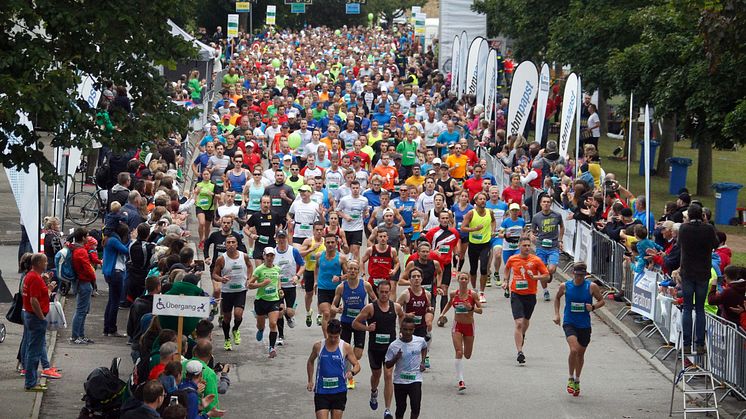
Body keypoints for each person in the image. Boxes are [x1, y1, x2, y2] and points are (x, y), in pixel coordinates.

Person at [352, 278, 404, 419]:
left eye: (387, 292)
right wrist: (367, 328)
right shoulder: (370, 308)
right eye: (382, 292)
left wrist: (401, 331)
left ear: (390, 292)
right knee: (376, 375)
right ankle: (374, 391)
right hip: (375, 348)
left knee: (388, 375)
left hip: (390, 348)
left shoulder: (396, 307)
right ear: (377, 291)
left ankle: (387, 409)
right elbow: (355, 323)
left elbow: (402, 317)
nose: (384, 295)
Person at [553, 262, 605, 397]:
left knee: (580, 354)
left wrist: (593, 307)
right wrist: (557, 314)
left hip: (584, 325)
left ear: (585, 275)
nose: (579, 278)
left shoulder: (591, 287)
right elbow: (557, 298)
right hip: (569, 322)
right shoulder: (565, 286)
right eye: (577, 275)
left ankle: (577, 379)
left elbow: (602, 301)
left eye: (582, 276)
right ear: (573, 274)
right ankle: (570, 378)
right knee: (574, 350)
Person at [676, 204, 719, 354]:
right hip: (703, 272)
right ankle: (700, 343)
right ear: (702, 215)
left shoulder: (684, 228)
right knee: (700, 308)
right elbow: (716, 244)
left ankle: (686, 343)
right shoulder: (708, 229)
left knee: (688, 307)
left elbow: (679, 243)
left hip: (688, 271)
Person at [502, 237, 550, 364]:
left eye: (529, 245)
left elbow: (546, 275)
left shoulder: (536, 260)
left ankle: (522, 335)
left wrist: (535, 277)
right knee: (518, 322)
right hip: (516, 294)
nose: (527, 248)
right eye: (524, 245)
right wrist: (505, 281)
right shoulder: (513, 259)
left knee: (526, 321)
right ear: (519, 246)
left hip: (530, 295)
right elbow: (507, 268)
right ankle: (520, 351)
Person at [331, 260, 376, 389]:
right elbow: (333, 306)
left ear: (358, 271)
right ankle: (348, 377)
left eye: (355, 269)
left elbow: (374, 300)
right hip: (345, 322)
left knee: (358, 354)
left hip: (360, 323)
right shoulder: (341, 287)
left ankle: (348, 369)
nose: (352, 271)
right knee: (345, 351)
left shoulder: (365, 285)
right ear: (347, 271)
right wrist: (337, 309)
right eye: (350, 269)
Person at [306, 319, 361, 419]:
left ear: (340, 333)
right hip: (321, 391)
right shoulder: (318, 346)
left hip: (339, 391)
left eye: (336, 337)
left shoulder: (345, 347)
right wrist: (310, 380)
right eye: (330, 336)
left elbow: (357, 365)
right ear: (327, 332)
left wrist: (352, 372)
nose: (333, 339)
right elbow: (310, 361)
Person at [437, 272, 482, 392]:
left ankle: (460, 377)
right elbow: (449, 304)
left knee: (467, 355)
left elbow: (480, 310)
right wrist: (442, 313)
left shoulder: (472, 295)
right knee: (459, 352)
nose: (463, 280)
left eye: (465, 278)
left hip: (469, 326)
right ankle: (460, 380)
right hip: (457, 326)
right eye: (461, 278)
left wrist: (471, 308)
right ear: (458, 280)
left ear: (468, 281)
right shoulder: (453, 293)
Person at [211, 235, 253, 351]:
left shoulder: (244, 256)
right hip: (227, 291)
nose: (230, 244)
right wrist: (221, 279)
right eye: (228, 242)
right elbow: (214, 274)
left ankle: (235, 329)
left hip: (240, 290)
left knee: (238, 314)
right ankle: (227, 338)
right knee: (227, 318)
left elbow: (250, 266)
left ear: (237, 244)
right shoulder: (221, 259)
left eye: (233, 242)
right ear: (225, 245)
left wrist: (249, 279)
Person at [22, 254, 54, 391]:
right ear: (38, 263)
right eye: (45, 261)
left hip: (30, 316)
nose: (46, 263)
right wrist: (41, 317)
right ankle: (30, 383)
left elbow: (38, 296)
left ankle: (31, 381)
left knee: (32, 349)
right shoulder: (35, 278)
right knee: (34, 352)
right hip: (36, 318)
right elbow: (34, 300)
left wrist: (47, 284)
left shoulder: (31, 276)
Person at [385, 317, 428, 419]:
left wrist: (423, 361)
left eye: (410, 330)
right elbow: (387, 365)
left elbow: (424, 347)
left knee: (416, 407)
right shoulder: (394, 345)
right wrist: (396, 358)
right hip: (400, 381)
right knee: (401, 408)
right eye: (405, 329)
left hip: (415, 379)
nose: (408, 332)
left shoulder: (420, 341)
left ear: (413, 330)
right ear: (401, 329)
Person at [460, 192, 496, 304]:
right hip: (473, 244)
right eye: (480, 199)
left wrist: (492, 230)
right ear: (476, 202)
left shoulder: (490, 212)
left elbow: (493, 221)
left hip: (485, 244)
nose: (482, 201)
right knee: (473, 269)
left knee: (484, 268)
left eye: (484, 199)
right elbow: (462, 228)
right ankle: (474, 289)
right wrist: (474, 229)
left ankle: (481, 292)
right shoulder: (471, 213)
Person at [396, 267, 434, 369]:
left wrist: (429, 311)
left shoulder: (427, 294)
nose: (416, 279)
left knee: (422, 345)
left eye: (418, 276)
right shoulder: (405, 294)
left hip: (421, 325)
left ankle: (422, 362)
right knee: (407, 349)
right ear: (409, 279)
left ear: (422, 279)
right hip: (408, 327)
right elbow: (396, 308)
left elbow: (428, 308)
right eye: (414, 277)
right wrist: (406, 314)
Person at [249, 247, 283, 358]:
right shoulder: (259, 269)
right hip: (261, 301)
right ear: (263, 256)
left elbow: (278, 281)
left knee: (273, 323)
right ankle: (260, 329)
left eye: (271, 255)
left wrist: (279, 290)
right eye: (267, 255)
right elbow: (249, 285)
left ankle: (272, 347)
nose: (269, 258)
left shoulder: (277, 269)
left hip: (274, 300)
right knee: (260, 325)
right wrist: (262, 284)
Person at [273, 229, 304, 345]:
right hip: (278, 286)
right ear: (276, 239)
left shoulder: (293, 251)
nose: (281, 240)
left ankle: (289, 316)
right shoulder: (272, 252)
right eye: (279, 238)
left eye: (283, 237)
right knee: (279, 311)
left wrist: (297, 276)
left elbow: (302, 265)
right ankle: (280, 335)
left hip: (290, 285)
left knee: (290, 311)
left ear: (286, 238)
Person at [530, 194, 564, 301]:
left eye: (548, 202)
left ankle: (549, 275)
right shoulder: (536, 217)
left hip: (553, 246)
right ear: (540, 204)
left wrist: (560, 240)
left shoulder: (557, 215)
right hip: (541, 247)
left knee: (551, 269)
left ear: (550, 204)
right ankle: (545, 291)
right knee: (542, 271)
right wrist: (531, 235)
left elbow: (562, 226)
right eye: (544, 202)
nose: (546, 204)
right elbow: (532, 230)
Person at [316, 234, 349, 338]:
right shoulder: (319, 256)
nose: (330, 244)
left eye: (332, 242)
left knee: (332, 315)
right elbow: (316, 268)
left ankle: (331, 335)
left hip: (336, 291)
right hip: (322, 289)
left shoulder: (341, 258)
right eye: (328, 242)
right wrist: (315, 282)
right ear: (324, 243)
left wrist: (339, 278)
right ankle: (326, 339)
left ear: (336, 243)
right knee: (326, 313)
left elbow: (348, 274)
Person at [102, 223, 131, 337]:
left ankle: (107, 328)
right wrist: (130, 240)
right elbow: (126, 250)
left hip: (111, 272)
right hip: (116, 272)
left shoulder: (109, 239)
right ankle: (112, 328)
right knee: (115, 302)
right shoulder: (114, 241)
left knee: (111, 301)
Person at [70, 227, 98, 344]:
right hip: (84, 282)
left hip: (82, 282)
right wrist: (93, 277)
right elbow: (87, 268)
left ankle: (80, 335)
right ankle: (76, 336)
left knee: (83, 310)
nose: (88, 238)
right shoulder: (81, 251)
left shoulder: (76, 249)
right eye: (87, 236)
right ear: (82, 238)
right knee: (81, 311)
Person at [300, 222, 327, 327]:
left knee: (321, 294)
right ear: (313, 230)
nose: (319, 232)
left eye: (321, 230)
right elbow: (299, 253)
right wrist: (311, 249)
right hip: (309, 271)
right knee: (309, 294)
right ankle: (308, 312)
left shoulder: (327, 242)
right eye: (317, 230)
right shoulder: (308, 241)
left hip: (322, 272)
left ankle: (320, 315)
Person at [336, 181, 369, 260]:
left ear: (360, 189)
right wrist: (345, 216)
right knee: (346, 250)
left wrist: (366, 214)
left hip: (358, 228)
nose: (355, 190)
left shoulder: (364, 200)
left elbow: (365, 210)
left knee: (356, 249)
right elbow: (337, 210)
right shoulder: (345, 200)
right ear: (350, 189)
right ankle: (348, 264)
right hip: (346, 228)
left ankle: (356, 269)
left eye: (357, 188)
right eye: (353, 188)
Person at [362, 229, 399, 295]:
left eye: (384, 236)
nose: (382, 238)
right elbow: (362, 261)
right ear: (377, 238)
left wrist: (394, 270)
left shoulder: (392, 250)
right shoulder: (371, 250)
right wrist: (363, 275)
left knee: (384, 302)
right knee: (373, 302)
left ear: (387, 237)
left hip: (385, 281)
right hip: (373, 281)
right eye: (380, 236)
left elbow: (397, 262)